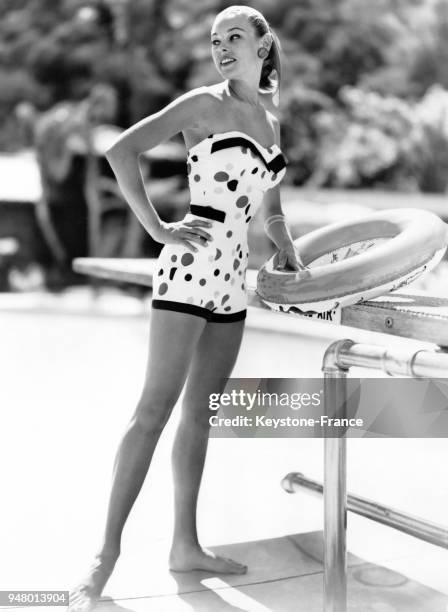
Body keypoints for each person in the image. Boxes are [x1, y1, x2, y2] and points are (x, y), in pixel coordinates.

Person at [68, 5, 307, 611]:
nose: (222, 47)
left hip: (233, 282)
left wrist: (285, 249)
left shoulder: (270, 125)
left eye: (234, 37)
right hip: (188, 270)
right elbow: (123, 151)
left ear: (263, 44)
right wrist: (158, 230)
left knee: (200, 414)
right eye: (214, 39)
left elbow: (270, 209)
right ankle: (105, 555)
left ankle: (185, 546)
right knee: (154, 409)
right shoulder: (203, 105)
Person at [34, 83, 118, 285]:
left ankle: (67, 273)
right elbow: (76, 164)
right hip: (62, 187)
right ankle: (75, 275)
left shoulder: (64, 114)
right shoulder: (76, 120)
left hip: (53, 186)